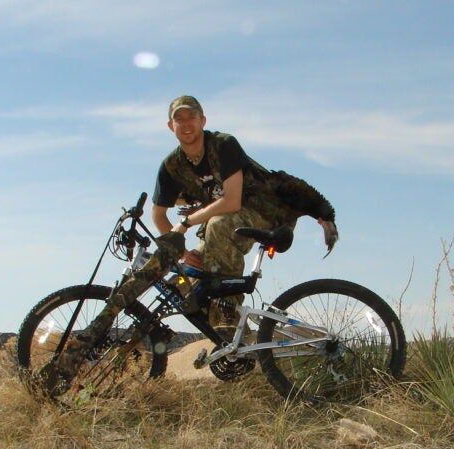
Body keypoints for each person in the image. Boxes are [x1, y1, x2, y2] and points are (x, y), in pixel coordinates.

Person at [44, 95, 338, 391]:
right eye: (179, 119)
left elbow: (232, 201)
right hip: (212, 227)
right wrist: (183, 253)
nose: (186, 124)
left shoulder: (223, 145)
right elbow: (158, 214)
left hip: (260, 213)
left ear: (203, 121)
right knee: (183, 285)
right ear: (170, 125)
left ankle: (226, 311)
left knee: (220, 226)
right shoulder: (172, 166)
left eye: (191, 118)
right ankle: (237, 344)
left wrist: (186, 222)